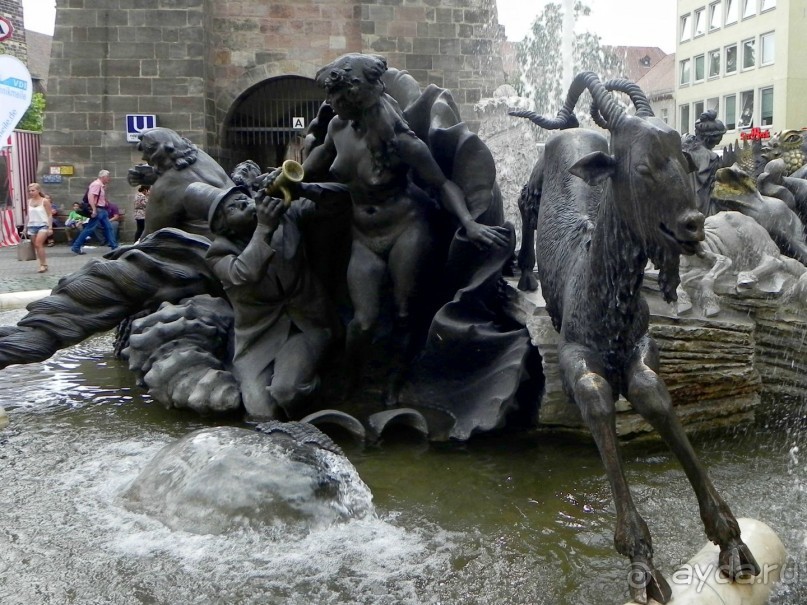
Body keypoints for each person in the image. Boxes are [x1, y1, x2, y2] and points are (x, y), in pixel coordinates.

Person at [300, 53, 509, 402]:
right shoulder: (338, 127)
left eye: (335, 97)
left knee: (403, 310)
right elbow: (318, 159)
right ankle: (350, 378)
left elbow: (441, 184)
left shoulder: (401, 140)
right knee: (363, 320)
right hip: (362, 236)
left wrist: (469, 223)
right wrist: (284, 179)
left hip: (405, 229)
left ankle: (397, 377)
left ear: (356, 95)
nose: (330, 103)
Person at [196, 182, 339, 420]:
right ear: (225, 228)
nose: (242, 203)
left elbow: (342, 200)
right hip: (258, 339)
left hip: (306, 324)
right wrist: (264, 228)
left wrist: (302, 188)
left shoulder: (287, 215)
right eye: (232, 209)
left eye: (242, 198)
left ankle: (315, 399)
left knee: (286, 392)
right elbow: (245, 273)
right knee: (261, 412)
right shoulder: (219, 254)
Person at [681, 109, 727, 217]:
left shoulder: (685, 148)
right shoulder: (712, 158)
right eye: (719, 137)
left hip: (683, 203)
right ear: (710, 138)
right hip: (702, 206)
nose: (719, 141)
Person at [71, 169, 118, 254]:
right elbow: (91, 197)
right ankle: (76, 246)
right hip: (98, 209)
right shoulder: (96, 184)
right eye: (108, 177)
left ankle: (114, 246)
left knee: (108, 228)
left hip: (102, 210)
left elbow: (97, 197)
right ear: (103, 177)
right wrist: (94, 210)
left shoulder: (100, 185)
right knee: (90, 228)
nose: (109, 178)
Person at [24, 183, 53, 273]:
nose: (31, 192)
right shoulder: (29, 201)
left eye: (33, 190)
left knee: (38, 244)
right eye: (29, 191)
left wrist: (50, 227)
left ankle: (43, 265)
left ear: (38, 190)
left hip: (43, 224)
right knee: (36, 246)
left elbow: (49, 214)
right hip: (32, 225)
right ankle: (42, 263)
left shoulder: (44, 201)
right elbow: (28, 215)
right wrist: (25, 227)